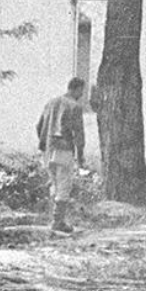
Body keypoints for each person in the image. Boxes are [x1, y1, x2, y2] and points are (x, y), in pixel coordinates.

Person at [36, 77, 87, 235]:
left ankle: (54, 219)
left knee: (54, 184)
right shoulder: (74, 106)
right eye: (82, 91)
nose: (82, 95)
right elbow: (79, 133)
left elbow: (39, 126)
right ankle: (57, 222)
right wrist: (80, 156)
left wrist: (44, 143)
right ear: (77, 89)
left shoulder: (51, 103)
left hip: (48, 149)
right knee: (64, 185)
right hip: (64, 148)